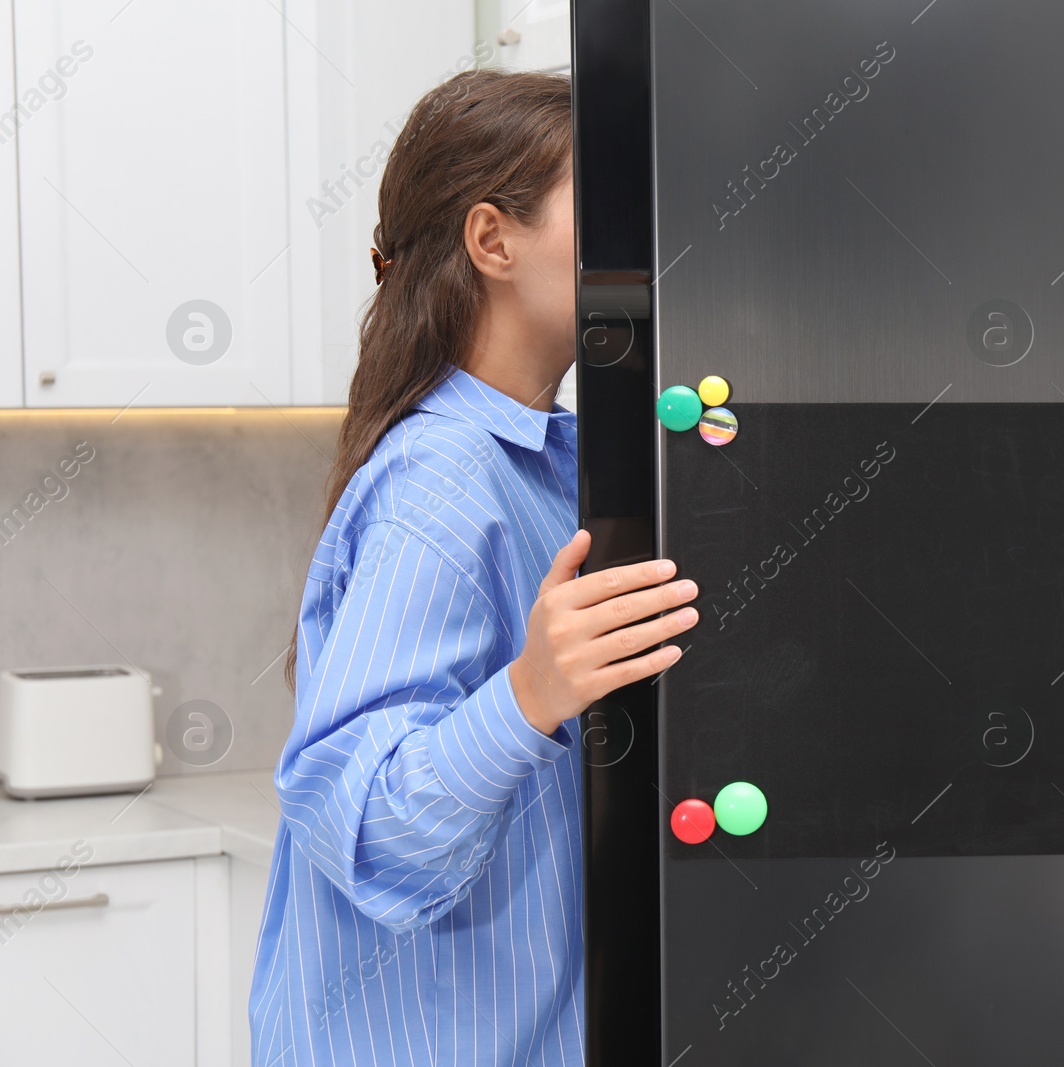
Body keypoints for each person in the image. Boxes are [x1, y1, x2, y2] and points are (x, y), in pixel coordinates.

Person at [249, 69, 696, 1065]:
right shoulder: (438, 480)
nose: (645, 233)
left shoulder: (562, 461)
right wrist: (531, 690)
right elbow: (362, 830)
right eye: (610, 203)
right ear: (492, 240)